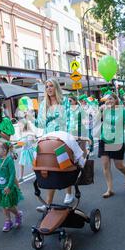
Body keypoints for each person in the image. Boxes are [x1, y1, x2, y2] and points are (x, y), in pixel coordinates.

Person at [35, 78, 74, 211]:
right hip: (48, 139)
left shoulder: (65, 102)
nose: (49, 89)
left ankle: (69, 192)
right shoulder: (43, 104)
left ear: (56, 87)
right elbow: (40, 123)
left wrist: (68, 137)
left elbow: (70, 119)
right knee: (49, 168)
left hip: (62, 138)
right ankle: (48, 204)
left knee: (64, 165)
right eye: (47, 87)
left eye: (51, 86)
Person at [98, 93, 125, 198]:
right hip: (104, 140)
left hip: (116, 141)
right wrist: (100, 110)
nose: (109, 101)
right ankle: (110, 189)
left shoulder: (122, 111)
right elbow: (95, 121)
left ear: (116, 100)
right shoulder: (104, 110)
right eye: (107, 100)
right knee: (105, 165)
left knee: (119, 165)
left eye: (111, 99)